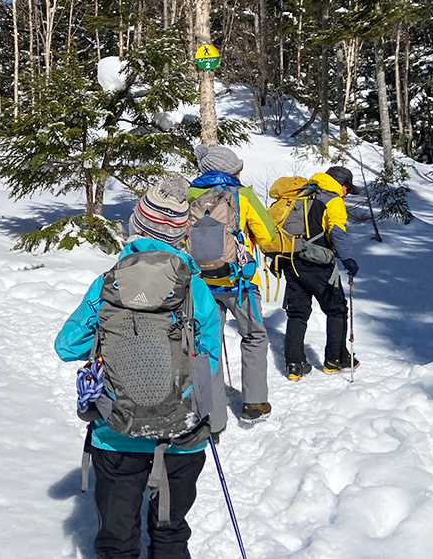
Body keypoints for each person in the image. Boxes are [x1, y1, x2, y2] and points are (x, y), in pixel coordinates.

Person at [54, 177, 222, 559]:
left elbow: (66, 347)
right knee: (171, 532)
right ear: (181, 235)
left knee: (117, 539)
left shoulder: (108, 284)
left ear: (136, 226)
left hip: (116, 430)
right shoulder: (195, 290)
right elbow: (207, 360)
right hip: (183, 433)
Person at [187, 145, 276, 430]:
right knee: (254, 337)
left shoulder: (190, 196)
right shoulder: (244, 196)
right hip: (242, 284)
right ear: (230, 171)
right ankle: (254, 403)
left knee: (207, 345)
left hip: (201, 285)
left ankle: (212, 419)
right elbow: (268, 237)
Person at [278, 165, 360, 380]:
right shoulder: (333, 200)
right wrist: (347, 259)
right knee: (337, 310)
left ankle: (294, 365)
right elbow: (336, 232)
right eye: (348, 189)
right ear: (343, 185)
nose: (347, 194)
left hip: (291, 261)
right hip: (318, 263)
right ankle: (335, 360)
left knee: (297, 314)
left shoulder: (299, 194)